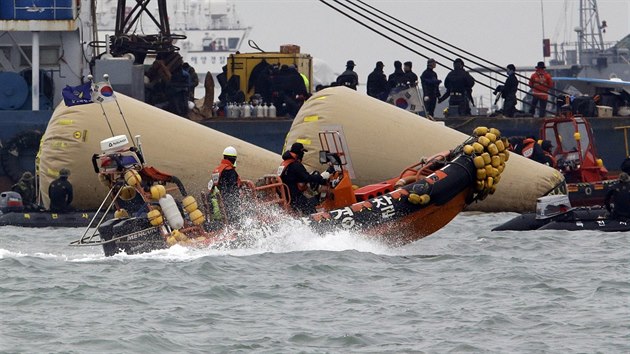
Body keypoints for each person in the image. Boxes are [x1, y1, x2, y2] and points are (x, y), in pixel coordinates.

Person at [278, 142, 331, 215]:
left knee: (311, 197)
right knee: (311, 207)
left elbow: (296, 177)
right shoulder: (295, 165)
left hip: (286, 194)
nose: (303, 155)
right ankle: (316, 220)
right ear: (299, 152)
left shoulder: (284, 163)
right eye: (302, 152)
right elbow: (307, 178)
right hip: (294, 197)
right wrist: (321, 178)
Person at [210, 146, 241, 223]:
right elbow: (232, 191)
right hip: (228, 208)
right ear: (233, 158)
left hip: (217, 206)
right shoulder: (230, 172)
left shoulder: (217, 170)